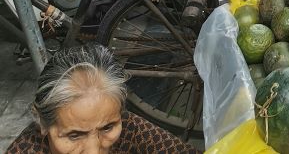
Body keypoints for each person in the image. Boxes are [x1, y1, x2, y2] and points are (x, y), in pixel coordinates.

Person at [8, 44, 196, 154]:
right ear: (42, 123)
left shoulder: (128, 126)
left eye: (107, 128)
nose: (94, 151)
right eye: (74, 135)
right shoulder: (25, 150)